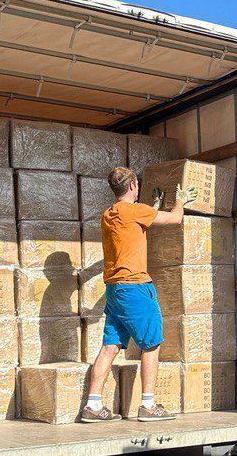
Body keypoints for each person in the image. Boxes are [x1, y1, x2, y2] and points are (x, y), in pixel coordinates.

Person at [79, 166, 190, 422]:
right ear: (132, 187)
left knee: (110, 347)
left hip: (115, 290)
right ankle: (148, 405)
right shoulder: (136, 212)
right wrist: (180, 201)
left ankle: (93, 406)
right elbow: (175, 219)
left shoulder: (109, 215)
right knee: (151, 344)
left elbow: (131, 231)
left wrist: (152, 207)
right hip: (136, 287)